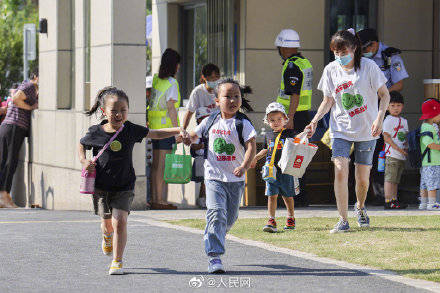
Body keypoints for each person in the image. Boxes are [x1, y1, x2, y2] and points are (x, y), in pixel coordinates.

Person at [78, 86, 185, 275]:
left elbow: (156, 134)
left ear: (128, 110)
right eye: (114, 110)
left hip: (124, 185)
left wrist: (178, 129)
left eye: (123, 110)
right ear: (104, 111)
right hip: (101, 187)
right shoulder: (96, 131)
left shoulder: (130, 130)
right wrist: (84, 160)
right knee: (107, 224)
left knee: (120, 221)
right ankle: (107, 236)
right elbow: (81, 144)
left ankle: (117, 262)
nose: (118, 114)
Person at [304, 29, 390, 233]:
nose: (339, 57)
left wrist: (379, 118)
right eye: (336, 53)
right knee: (341, 170)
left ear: (354, 49)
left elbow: (384, 95)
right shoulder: (331, 70)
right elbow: (328, 100)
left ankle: (360, 207)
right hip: (340, 129)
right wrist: (315, 120)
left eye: (343, 53)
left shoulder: (369, 67)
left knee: (362, 178)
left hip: (368, 129)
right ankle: (343, 219)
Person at [185, 79, 256, 274]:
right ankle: (214, 256)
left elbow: (251, 146)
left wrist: (244, 165)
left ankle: (213, 233)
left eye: (236, 96)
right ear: (217, 100)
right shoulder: (210, 120)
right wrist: (186, 138)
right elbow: (194, 136)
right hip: (213, 176)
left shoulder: (243, 123)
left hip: (236, 178)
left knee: (230, 217)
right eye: (227, 96)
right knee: (216, 213)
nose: (232, 100)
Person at [357, 28, 409, 204]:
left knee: (385, 153)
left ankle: (385, 193)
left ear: (374, 44)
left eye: (365, 48)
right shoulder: (360, 56)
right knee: (368, 151)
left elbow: (400, 84)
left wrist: (381, 93)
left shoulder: (390, 56)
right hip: (365, 110)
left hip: (385, 110)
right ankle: (370, 193)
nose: (364, 52)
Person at [274, 28, 313, 207]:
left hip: (293, 117)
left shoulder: (292, 65)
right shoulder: (304, 62)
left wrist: (288, 118)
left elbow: (294, 94)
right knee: (298, 157)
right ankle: (300, 197)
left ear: (282, 47)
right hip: (302, 115)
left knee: (288, 158)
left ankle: (293, 198)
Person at [251, 102, 299, 233]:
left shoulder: (290, 133)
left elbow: (299, 144)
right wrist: (255, 158)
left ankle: (290, 217)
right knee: (271, 195)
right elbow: (265, 150)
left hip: (286, 170)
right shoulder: (268, 135)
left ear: (285, 120)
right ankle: (271, 220)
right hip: (271, 171)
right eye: (272, 120)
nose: (276, 122)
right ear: (267, 121)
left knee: (287, 196)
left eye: (279, 119)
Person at [148, 48, 181, 210]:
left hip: (154, 128)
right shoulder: (172, 83)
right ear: (174, 65)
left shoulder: (156, 80)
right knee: (162, 165)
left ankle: (155, 198)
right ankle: (160, 200)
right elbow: (171, 108)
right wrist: (177, 130)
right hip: (166, 129)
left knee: (155, 166)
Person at [0, 71, 39, 208]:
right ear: (35, 77)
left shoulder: (30, 87)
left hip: (8, 126)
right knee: (10, 162)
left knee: (5, 161)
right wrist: (31, 107)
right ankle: (4, 195)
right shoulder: (29, 86)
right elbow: (16, 99)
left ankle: (3, 196)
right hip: (14, 126)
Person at [382, 91, 409, 209]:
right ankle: (388, 201)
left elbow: (406, 137)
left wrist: (406, 149)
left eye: (398, 105)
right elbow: (386, 137)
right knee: (390, 178)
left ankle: (394, 200)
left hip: (401, 155)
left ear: (402, 106)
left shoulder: (404, 121)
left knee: (396, 180)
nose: (396, 108)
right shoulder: (388, 120)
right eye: (392, 106)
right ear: (387, 107)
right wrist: (399, 149)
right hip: (392, 154)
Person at [182, 63, 220, 130]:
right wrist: (183, 130)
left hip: (218, 129)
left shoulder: (220, 90)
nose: (214, 81)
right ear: (204, 77)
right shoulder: (197, 92)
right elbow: (189, 113)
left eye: (216, 78)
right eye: (212, 78)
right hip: (203, 130)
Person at [418, 99, 440, 210]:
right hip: (432, 161)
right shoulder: (427, 127)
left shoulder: (429, 126)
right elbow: (430, 144)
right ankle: (432, 203)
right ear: (434, 114)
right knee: (432, 183)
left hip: (427, 161)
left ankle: (423, 203)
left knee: (425, 183)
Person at [190, 107, 211, 208]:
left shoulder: (210, 130)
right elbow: (193, 146)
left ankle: (203, 199)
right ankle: (202, 199)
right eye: (204, 118)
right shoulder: (197, 131)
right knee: (204, 180)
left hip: (208, 157)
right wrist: (203, 145)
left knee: (206, 180)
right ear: (198, 119)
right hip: (201, 158)